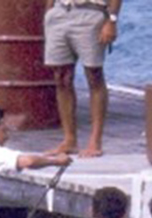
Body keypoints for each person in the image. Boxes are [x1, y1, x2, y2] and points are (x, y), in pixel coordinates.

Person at [43, 0, 121, 158]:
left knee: (94, 75)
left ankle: (95, 141)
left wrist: (111, 20)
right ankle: (69, 139)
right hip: (60, 12)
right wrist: (49, 11)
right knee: (61, 77)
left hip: (91, 12)